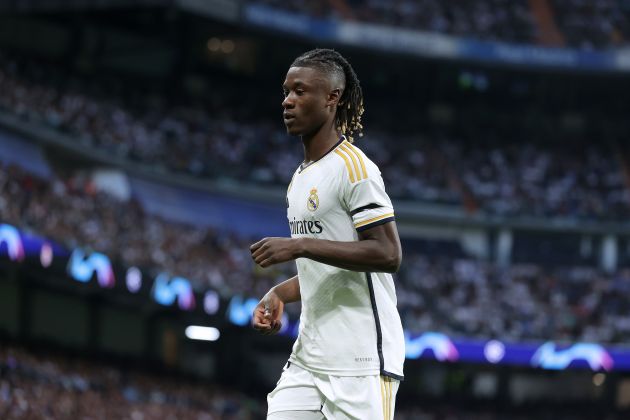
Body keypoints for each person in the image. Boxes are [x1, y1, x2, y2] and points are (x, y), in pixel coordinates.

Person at [250, 48, 405, 420]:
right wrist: (279, 293)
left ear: (332, 98)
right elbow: (325, 267)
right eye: (286, 91)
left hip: (361, 361)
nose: (288, 101)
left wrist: (298, 245)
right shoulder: (300, 178)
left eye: (300, 92)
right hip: (310, 358)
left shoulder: (355, 168)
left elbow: (388, 254)